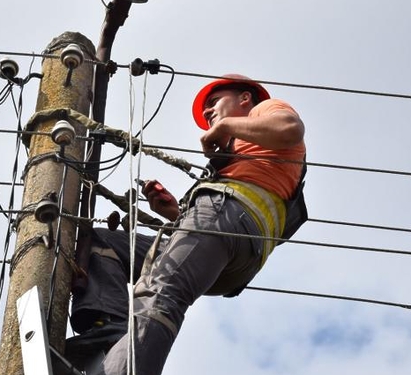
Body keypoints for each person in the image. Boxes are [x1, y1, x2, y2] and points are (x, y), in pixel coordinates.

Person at [66, 74, 307, 375]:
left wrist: (225, 126)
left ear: (245, 98)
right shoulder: (247, 153)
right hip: (230, 252)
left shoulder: (265, 110)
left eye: (214, 102)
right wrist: (174, 214)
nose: (207, 113)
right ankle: (113, 333)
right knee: (103, 242)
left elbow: (291, 129)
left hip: (226, 223)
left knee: (159, 294)